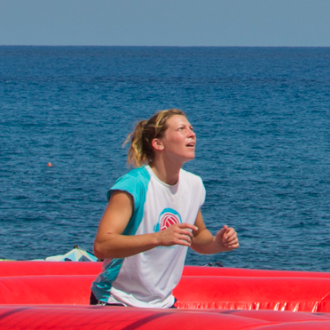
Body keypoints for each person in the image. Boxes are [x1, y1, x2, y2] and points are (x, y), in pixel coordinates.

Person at [91, 109, 238, 307]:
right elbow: (101, 246)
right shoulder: (134, 185)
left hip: (162, 303)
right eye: (181, 129)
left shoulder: (194, 185)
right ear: (158, 144)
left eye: (191, 128)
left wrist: (216, 243)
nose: (191, 133)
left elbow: (196, 236)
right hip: (116, 300)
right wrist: (158, 238)